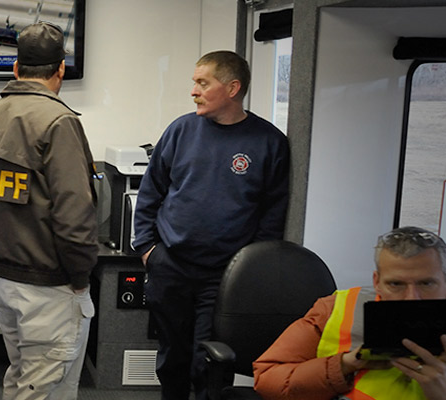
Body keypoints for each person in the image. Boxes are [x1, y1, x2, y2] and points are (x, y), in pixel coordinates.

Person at [132, 50, 290, 400]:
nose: (194, 91)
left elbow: (272, 215)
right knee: (171, 357)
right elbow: (151, 191)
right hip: (170, 264)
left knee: (211, 361)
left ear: (232, 88)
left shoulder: (269, 142)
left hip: (224, 275)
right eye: (195, 83)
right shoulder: (181, 130)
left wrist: (250, 268)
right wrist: (146, 248)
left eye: (203, 83)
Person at [0, 22, 99, 400]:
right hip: (50, 284)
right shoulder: (58, 122)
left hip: (4, 278)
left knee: (25, 376)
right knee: (41, 387)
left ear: (16, 68)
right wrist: (80, 275)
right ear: (60, 70)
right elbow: (74, 215)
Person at [254, 226, 446, 400]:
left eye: (426, 283)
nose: (411, 298)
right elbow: (267, 379)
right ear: (377, 282)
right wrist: (344, 365)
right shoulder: (337, 307)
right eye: (396, 284)